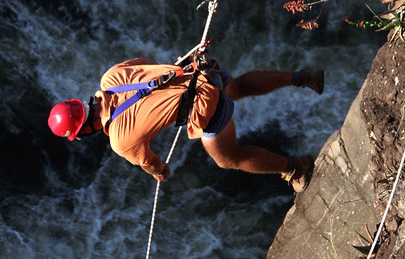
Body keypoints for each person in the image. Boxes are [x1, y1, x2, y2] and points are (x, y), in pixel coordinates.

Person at [47, 56, 323, 192]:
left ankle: (295, 168)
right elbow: (150, 64)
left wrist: (160, 173)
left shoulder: (120, 140)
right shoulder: (110, 77)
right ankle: (304, 77)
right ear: (80, 105)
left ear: (84, 130)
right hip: (202, 71)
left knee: (228, 159)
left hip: (206, 106)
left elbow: (153, 163)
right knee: (236, 86)